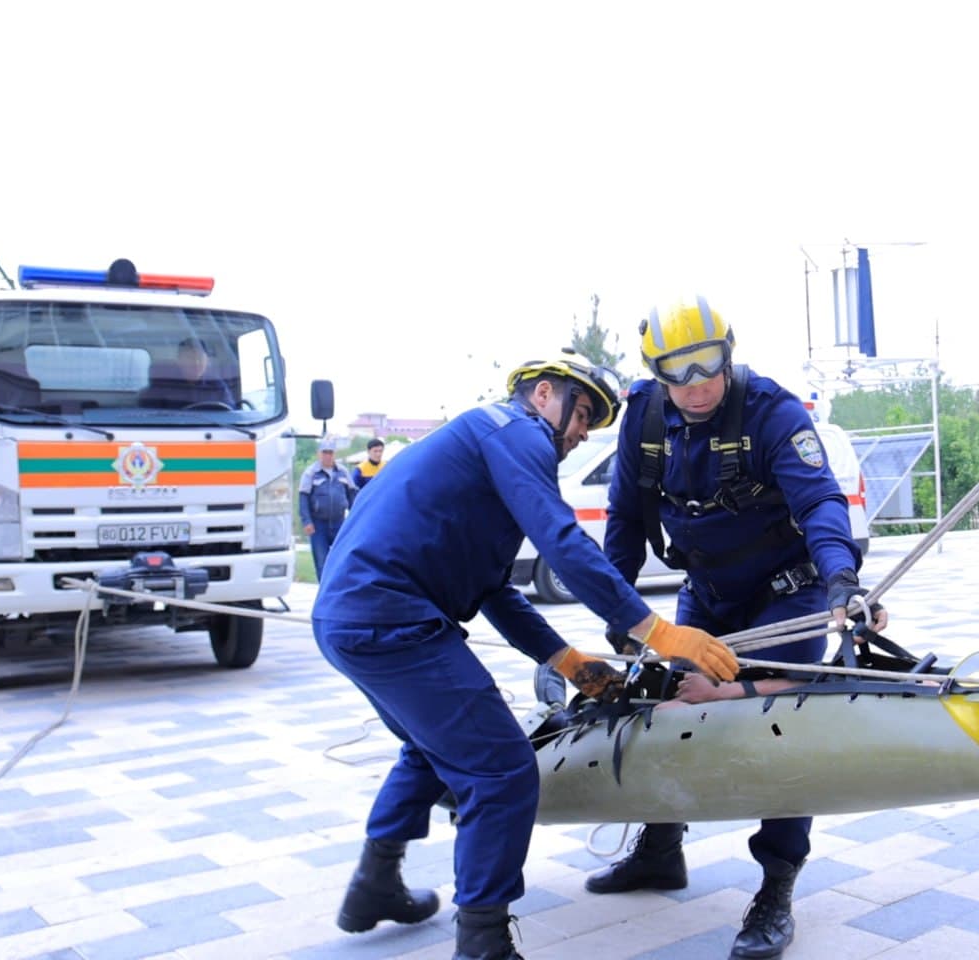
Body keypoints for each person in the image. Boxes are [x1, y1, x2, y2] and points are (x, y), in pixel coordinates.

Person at [313, 354, 739, 960]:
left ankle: (375, 883)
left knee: (431, 749)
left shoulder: (483, 445)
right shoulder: (516, 432)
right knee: (502, 771)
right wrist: (654, 630)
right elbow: (561, 541)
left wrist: (567, 661)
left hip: (350, 619)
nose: (580, 433)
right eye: (582, 413)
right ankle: (483, 943)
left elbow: (492, 588)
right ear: (544, 395)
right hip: (393, 620)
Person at [584, 296, 889, 960]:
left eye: (707, 367)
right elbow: (625, 522)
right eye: (677, 373)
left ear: (729, 353)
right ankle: (661, 847)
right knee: (663, 704)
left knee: (780, 725)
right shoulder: (643, 418)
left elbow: (820, 503)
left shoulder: (772, 413)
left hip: (788, 594)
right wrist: (621, 612)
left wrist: (841, 580)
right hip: (706, 596)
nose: (695, 386)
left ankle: (776, 886)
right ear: (657, 374)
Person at [299, 436, 356, 581]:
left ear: (334, 454)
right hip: (318, 525)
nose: (328, 456)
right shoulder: (311, 473)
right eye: (325, 452)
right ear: (319, 454)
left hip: (339, 522)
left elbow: (352, 495)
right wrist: (307, 521)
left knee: (342, 559)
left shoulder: (343, 472)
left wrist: (354, 518)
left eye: (330, 452)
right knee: (321, 561)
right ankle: (323, 592)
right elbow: (303, 498)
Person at [140, 336, 236, 408]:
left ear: (207, 361)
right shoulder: (163, 385)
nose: (196, 363)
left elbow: (230, 412)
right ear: (179, 360)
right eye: (190, 358)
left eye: (200, 358)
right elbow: (148, 417)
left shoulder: (217, 386)